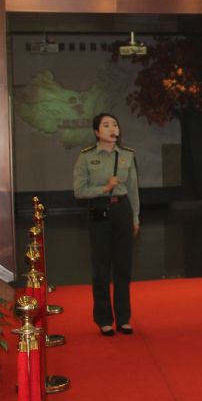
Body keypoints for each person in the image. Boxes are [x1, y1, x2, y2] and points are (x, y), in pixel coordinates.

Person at [73, 112, 140, 336]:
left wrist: (135, 217)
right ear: (96, 132)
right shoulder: (86, 157)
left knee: (123, 267)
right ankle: (104, 319)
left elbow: (133, 190)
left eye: (115, 125)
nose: (112, 129)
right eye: (106, 125)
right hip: (99, 211)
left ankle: (123, 318)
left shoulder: (127, 155)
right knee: (101, 268)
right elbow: (79, 191)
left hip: (122, 210)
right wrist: (104, 189)